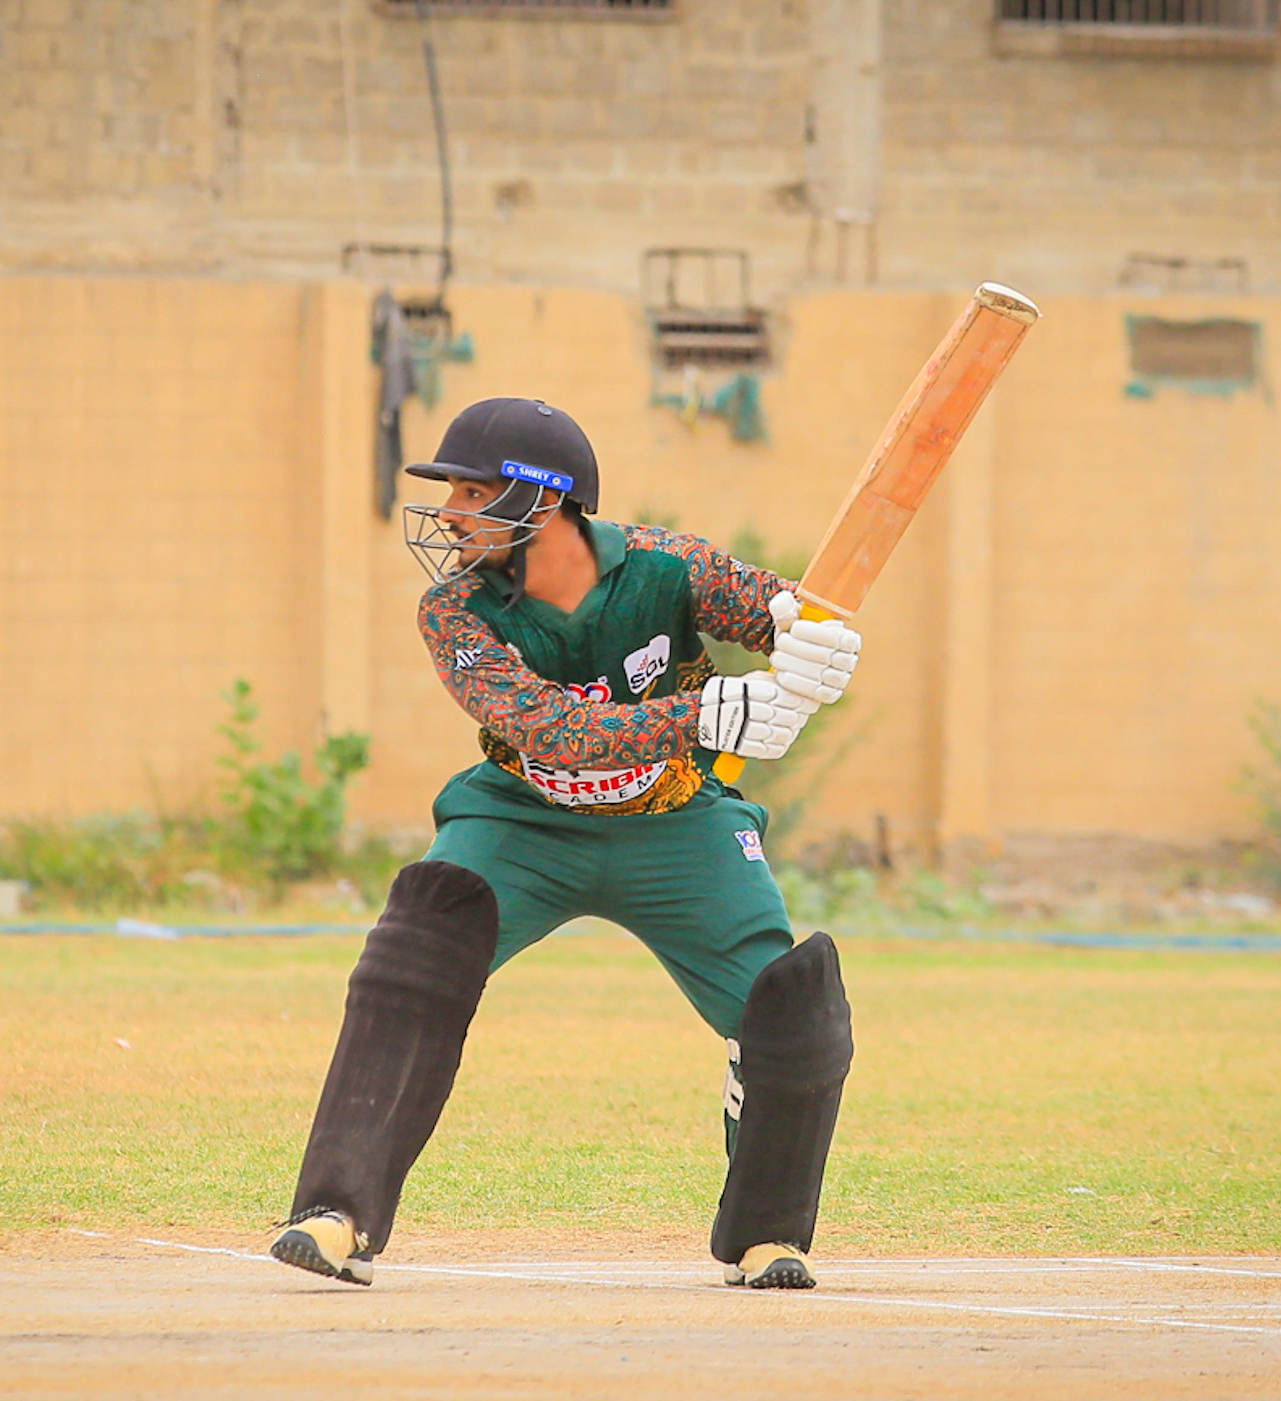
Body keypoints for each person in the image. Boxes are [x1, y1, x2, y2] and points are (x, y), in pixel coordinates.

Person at [268, 397, 863, 1290]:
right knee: (413, 952)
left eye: (473, 492)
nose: (451, 513)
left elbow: (785, 609)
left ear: (543, 500)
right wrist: (705, 711)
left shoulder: (668, 566)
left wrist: (813, 641)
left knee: (794, 1006)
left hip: (677, 821)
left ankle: (767, 1235)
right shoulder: (455, 610)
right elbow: (550, 730)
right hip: (521, 821)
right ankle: (336, 1213)